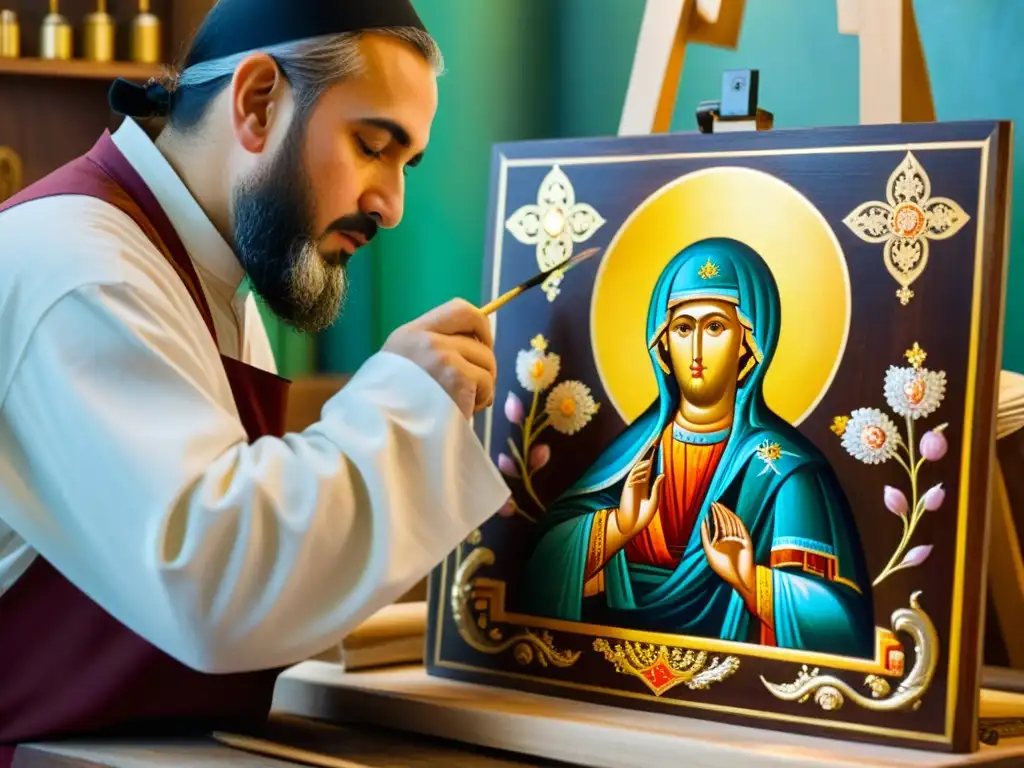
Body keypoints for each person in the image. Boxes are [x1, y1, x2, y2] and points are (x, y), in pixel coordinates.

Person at [0, 0, 510, 757]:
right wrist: (406, 401)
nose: (392, 205)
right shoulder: (80, 267)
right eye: (373, 146)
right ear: (257, 100)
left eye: (406, 165)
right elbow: (213, 581)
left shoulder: (213, 283)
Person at [519, 238, 875, 659]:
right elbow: (537, 572)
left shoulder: (787, 473)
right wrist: (619, 526)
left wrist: (750, 580)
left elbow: (843, 626)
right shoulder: (633, 455)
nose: (698, 350)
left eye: (716, 328)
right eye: (684, 328)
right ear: (662, 342)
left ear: (750, 343)